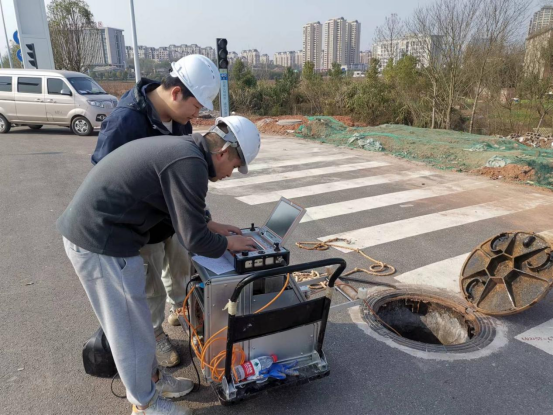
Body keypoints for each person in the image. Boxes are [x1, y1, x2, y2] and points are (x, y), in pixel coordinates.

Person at [58, 116, 261, 414]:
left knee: (136, 322)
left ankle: (152, 382)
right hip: (100, 241)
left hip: (104, 234)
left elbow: (177, 208)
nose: (231, 173)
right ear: (224, 153)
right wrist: (229, 244)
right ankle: (146, 404)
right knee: (130, 328)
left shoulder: (187, 151)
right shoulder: (190, 164)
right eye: (234, 166)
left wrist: (213, 225)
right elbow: (193, 240)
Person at [92, 54, 229, 368]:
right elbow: (105, 173)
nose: (195, 114)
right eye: (196, 106)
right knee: (149, 284)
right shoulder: (127, 119)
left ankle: (178, 309)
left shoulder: (180, 121)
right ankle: (154, 336)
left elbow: (184, 180)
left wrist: (204, 221)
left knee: (180, 270)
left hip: (172, 220)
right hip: (142, 225)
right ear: (177, 93)